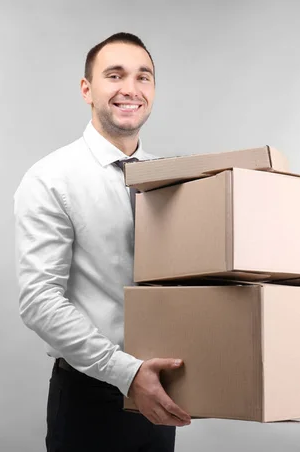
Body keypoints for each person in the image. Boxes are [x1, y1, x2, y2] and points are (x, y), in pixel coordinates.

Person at [14, 32, 191, 452]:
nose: (130, 89)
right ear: (87, 89)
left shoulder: (175, 179)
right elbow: (39, 301)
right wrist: (126, 372)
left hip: (160, 393)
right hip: (91, 396)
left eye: (142, 77)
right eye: (115, 75)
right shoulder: (51, 178)